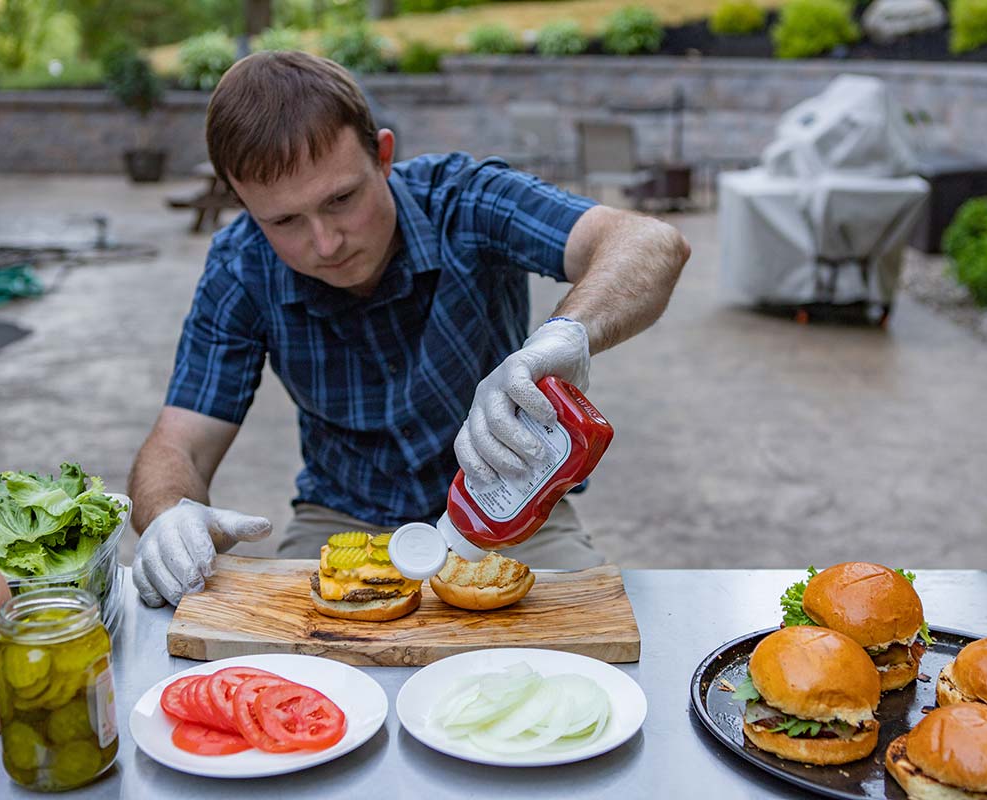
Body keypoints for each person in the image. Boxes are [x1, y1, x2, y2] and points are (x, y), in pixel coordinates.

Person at [127, 51, 690, 607]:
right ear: (243, 204)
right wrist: (171, 515)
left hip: (511, 506)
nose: (325, 243)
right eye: (283, 221)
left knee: (591, 662)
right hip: (341, 519)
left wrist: (565, 334)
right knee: (294, 670)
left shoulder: (466, 199)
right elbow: (180, 445)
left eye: (341, 199)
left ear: (384, 156)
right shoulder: (240, 266)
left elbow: (651, 242)